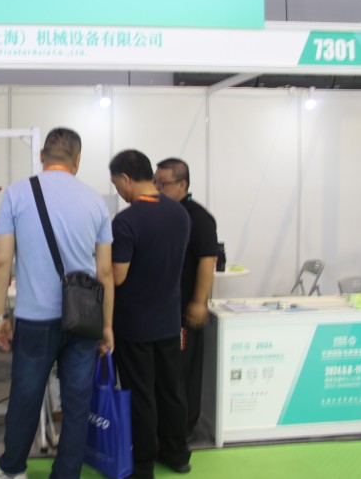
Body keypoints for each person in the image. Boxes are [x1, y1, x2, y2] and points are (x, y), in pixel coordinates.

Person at [0, 127, 115, 479]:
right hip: (84, 318)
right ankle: (67, 474)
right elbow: (105, 272)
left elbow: (1, 260)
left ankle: (12, 469)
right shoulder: (96, 202)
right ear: (77, 160)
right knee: (77, 401)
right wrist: (106, 325)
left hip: (35, 318)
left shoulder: (16, 194)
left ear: (42, 156)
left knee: (26, 396)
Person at [108, 149, 191, 479]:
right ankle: (177, 453)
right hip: (169, 320)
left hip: (134, 325)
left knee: (140, 394)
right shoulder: (180, 214)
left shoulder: (126, 221)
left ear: (126, 178)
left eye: (117, 184)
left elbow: (117, 276)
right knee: (171, 390)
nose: (118, 191)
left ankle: (142, 465)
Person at [155, 158, 219, 437]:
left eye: (163, 183)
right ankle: (166, 427)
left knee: (183, 372)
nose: (157, 188)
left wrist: (198, 302)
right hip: (162, 311)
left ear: (183, 184)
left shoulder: (197, 217)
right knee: (166, 371)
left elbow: (208, 260)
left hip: (184, 311)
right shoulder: (163, 213)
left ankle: (183, 429)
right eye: (155, 182)